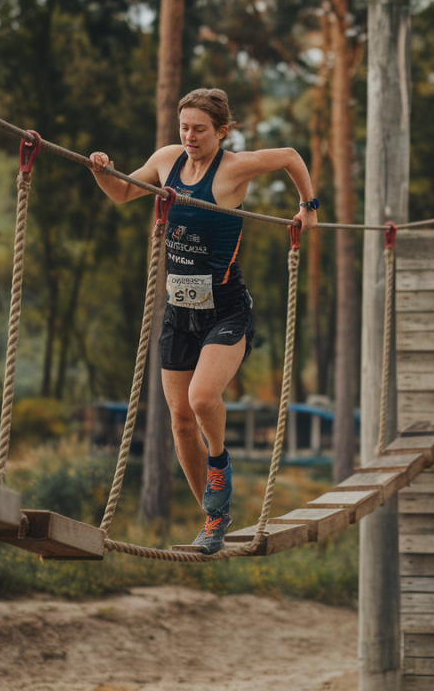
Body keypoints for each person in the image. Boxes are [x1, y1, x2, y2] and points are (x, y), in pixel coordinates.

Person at [89, 88, 318, 553]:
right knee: (179, 419)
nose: (189, 136)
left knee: (201, 397)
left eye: (199, 129)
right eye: (184, 127)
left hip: (227, 310)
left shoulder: (233, 169)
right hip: (179, 315)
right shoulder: (167, 159)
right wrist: (101, 171)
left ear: (221, 132)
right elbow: (121, 193)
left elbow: (291, 156)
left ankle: (219, 461)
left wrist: (307, 207)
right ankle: (214, 518)